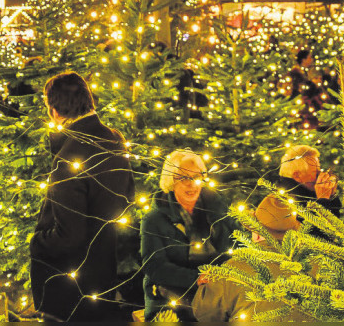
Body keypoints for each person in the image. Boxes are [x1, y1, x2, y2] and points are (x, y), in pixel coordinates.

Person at [29, 72, 134, 321]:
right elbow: (128, 195)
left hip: (71, 288)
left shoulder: (69, 157)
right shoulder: (114, 139)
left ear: (54, 111)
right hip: (107, 278)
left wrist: (37, 242)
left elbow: (69, 236)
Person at [140, 150, 239, 320]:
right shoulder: (153, 219)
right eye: (183, 178)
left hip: (220, 290)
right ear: (171, 181)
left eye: (197, 176)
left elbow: (239, 239)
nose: (191, 184)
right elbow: (155, 267)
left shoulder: (216, 207)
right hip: (173, 296)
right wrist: (197, 278)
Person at [191, 196, 312, 322]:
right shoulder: (320, 263)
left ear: (258, 234)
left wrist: (206, 287)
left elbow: (204, 313)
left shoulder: (233, 271)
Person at [272, 145, 341, 219]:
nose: (320, 175)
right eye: (316, 172)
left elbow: (337, 222)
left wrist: (331, 195)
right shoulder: (285, 203)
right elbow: (314, 228)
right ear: (297, 176)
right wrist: (323, 200)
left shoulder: (307, 191)